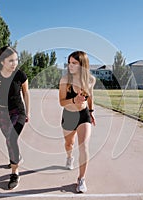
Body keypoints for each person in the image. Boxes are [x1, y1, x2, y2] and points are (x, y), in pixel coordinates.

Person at [0, 46, 30, 190]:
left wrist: (28, 112)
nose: (14, 63)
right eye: (11, 60)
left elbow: (26, 94)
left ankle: (15, 173)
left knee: (11, 138)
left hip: (19, 112)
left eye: (16, 60)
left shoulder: (20, 75)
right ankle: (17, 158)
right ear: (2, 61)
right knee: (9, 140)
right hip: (2, 113)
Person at [59, 51, 96, 193]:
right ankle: (69, 157)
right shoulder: (64, 80)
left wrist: (91, 112)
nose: (70, 65)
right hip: (69, 115)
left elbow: (91, 96)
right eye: (69, 62)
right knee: (69, 144)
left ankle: (81, 179)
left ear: (82, 65)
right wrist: (74, 100)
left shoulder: (90, 80)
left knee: (84, 146)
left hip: (83, 115)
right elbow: (61, 102)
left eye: (74, 63)